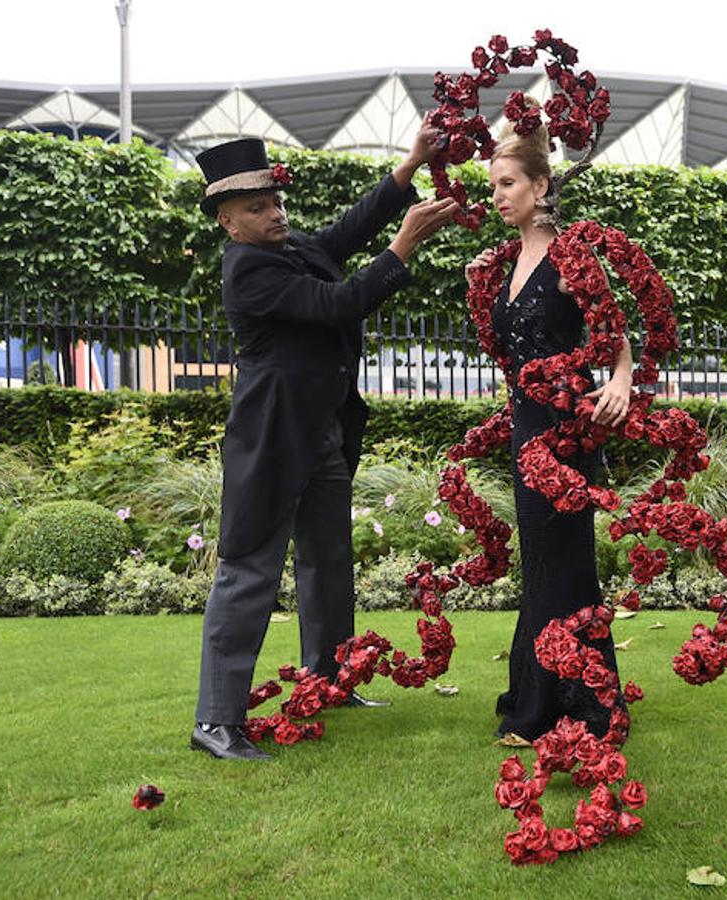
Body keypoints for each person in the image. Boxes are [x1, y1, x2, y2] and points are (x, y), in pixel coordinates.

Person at [191, 129, 458, 761]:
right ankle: (216, 722)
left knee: (330, 563)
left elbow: (345, 232)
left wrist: (412, 164)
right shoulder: (248, 268)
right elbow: (341, 303)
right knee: (249, 570)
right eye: (257, 207)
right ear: (229, 223)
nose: (274, 212)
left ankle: (329, 679)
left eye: (274, 199)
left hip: (324, 436)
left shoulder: (289, 248)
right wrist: (404, 246)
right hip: (272, 442)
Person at [464, 116, 634, 746]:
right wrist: (476, 288)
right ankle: (552, 691)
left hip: (563, 430)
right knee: (543, 556)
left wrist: (618, 381)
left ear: (540, 187)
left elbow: (613, 334)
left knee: (561, 555)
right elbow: (511, 353)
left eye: (508, 184)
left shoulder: (570, 256)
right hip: (525, 423)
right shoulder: (509, 259)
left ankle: (561, 706)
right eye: (494, 187)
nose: (498, 197)